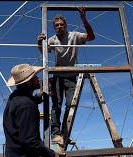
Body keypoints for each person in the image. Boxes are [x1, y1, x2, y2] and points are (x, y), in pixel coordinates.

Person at [37, 7, 95, 146]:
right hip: (57, 75)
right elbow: (44, 52)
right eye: (56, 25)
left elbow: (91, 37)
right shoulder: (52, 39)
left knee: (71, 105)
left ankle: (65, 133)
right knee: (56, 105)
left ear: (66, 25)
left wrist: (83, 18)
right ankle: (55, 134)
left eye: (61, 24)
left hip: (71, 75)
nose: (59, 27)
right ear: (54, 27)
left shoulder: (74, 35)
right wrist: (39, 42)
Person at [3, 63, 61, 157]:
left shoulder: (16, 97)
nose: (38, 78)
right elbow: (30, 141)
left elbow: (30, 100)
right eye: (34, 77)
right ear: (29, 82)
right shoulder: (26, 105)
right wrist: (51, 154)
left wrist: (41, 95)